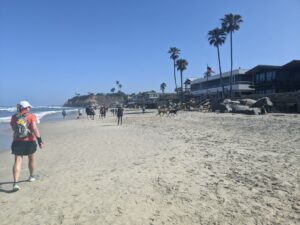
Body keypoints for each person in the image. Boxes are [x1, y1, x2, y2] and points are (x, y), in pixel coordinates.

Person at [10, 100, 44, 191]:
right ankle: (31, 176)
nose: (29, 108)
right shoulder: (31, 116)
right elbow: (35, 128)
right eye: (28, 107)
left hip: (17, 141)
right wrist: (40, 140)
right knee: (31, 158)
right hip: (29, 141)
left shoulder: (14, 117)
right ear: (26, 108)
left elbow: (13, 128)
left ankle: (15, 183)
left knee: (17, 161)